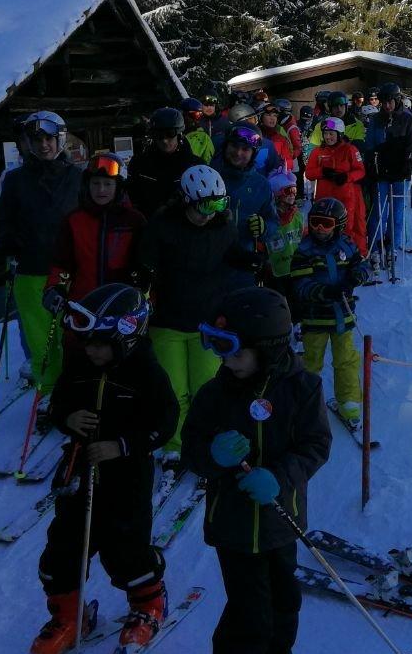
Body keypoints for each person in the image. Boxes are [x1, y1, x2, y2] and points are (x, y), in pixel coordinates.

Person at [26, 283, 178, 654]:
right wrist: (66, 418)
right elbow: (59, 403)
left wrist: (122, 445)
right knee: (63, 546)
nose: (89, 349)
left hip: (126, 475)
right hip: (80, 469)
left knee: (124, 548)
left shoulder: (146, 372)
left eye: (99, 343)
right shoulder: (80, 364)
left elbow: (166, 422)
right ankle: (68, 616)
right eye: (86, 342)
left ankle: (148, 604)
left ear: (126, 337)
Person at [181, 287, 331, 654]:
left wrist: (280, 478)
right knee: (249, 617)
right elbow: (192, 448)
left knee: (285, 606)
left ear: (268, 347)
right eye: (217, 348)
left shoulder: (304, 388)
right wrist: (212, 454)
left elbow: (316, 445)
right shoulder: (215, 394)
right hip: (232, 526)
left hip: (281, 521)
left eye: (234, 350)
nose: (225, 360)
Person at [139, 165, 260, 462]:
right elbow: (146, 263)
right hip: (168, 321)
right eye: (204, 206)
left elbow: (230, 253)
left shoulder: (223, 228)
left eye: (218, 204)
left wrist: (251, 260)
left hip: (207, 324)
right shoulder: (163, 227)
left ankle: (203, 439)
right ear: (186, 201)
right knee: (174, 390)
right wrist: (143, 283)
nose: (209, 213)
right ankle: (175, 446)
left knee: (205, 388)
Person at [0, 110, 82, 395]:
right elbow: (3, 222)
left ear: (60, 139)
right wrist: (12, 243)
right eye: (37, 139)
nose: (43, 144)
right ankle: (49, 395)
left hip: (70, 273)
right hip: (31, 272)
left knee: (70, 336)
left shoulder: (78, 178)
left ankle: (75, 392)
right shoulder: (15, 180)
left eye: (49, 138)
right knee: (39, 342)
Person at [288, 198, 371, 426]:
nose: (320, 229)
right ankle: (304, 404)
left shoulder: (346, 245)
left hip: (342, 316)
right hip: (315, 318)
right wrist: (326, 291)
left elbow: (363, 265)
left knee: (345, 360)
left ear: (339, 225)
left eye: (326, 223)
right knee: (311, 362)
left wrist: (357, 275)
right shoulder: (304, 251)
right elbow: (301, 285)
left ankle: (349, 403)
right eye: (315, 222)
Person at [43, 152, 145, 319]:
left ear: (118, 187)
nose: (101, 190)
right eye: (95, 183)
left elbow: (143, 264)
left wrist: (142, 287)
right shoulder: (74, 220)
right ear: (87, 185)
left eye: (107, 184)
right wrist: (56, 287)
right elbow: (62, 264)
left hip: (123, 308)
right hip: (82, 306)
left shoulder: (133, 221)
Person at [364, 83, 412, 261]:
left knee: (397, 212)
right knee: (379, 212)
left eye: (390, 102)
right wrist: (371, 163)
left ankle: (393, 244)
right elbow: (370, 145)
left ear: (396, 100)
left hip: (400, 172)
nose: (387, 106)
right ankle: (376, 245)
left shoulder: (407, 119)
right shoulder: (376, 120)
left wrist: (409, 160)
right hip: (382, 172)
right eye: (383, 102)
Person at [305, 116, 368, 256]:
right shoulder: (318, 152)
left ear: (339, 134)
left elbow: (360, 171)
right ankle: (325, 258)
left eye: (331, 134)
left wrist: (346, 177)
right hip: (324, 198)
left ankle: (350, 256)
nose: (328, 137)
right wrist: (322, 172)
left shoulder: (350, 150)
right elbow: (309, 173)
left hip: (345, 197)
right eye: (325, 134)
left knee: (347, 228)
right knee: (323, 230)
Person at [214, 125, 280, 258]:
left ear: (253, 153)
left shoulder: (261, 185)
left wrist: (264, 228)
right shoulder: (210, 176)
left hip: (244, 260)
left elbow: (273, 221)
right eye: (234, 146)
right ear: (226, 146)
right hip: (211, 258)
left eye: (245, 149)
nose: (238, 153)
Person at [127, 107, 203, 218]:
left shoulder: (196, 166)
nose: (164, 140)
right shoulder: (139, 164)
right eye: (159, 135)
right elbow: (132, 198)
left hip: (184, 228)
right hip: (150, 226)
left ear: (179, 134)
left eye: (170, 133)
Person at [265, 174, 305, 289]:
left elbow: (303, 237)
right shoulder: (269, 219)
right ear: (277, 194)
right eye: (288, 191)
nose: (292, 195)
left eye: (295, 190)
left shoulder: (297, 215)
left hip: (296, 270)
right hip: (275, 273)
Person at [181, 98, 217, 163]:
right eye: (194, 115)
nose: (197, 119)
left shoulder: (204, 138)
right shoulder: (173, 134)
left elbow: (208, 163)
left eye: (200, 115)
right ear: (183, 115)